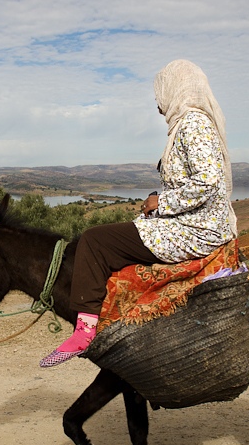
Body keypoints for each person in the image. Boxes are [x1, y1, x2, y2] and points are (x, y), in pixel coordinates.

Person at [40, 59, 238, 367]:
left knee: (94, 241)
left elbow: (207, 183)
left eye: (161, 94)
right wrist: (159, 200)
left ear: (176, 90)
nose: (158, 104)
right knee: (126, 232)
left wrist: (162, 203)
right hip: (193, 220)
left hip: (197, 228)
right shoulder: (187, 124)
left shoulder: (192, 123)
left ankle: (85, 331)